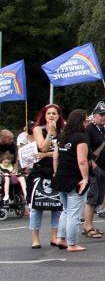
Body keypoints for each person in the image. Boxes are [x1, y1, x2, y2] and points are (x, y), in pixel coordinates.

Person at [52, 109, 90, 253]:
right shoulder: (81, 137)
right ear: (82, 121)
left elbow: (56, 156)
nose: (87, 123)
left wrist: (55, 172)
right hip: (75, 178)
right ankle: (72, 243)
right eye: (86, 120)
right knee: (74, 213)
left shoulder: (63, 135)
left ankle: (61, 239)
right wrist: (85, 178)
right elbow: (82, 160)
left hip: (61, 177)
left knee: (66, 211)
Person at [27, 105, 64, 249]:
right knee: (37, 206)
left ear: (59, 116)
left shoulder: (63, 130)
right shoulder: (38, 129)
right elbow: (42, 147)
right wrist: (50, 133)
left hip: (56, 170)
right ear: (44, 115)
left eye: (54, 113)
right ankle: (35, 238)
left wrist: (48, 154)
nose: (51, 116)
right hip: (40, 170)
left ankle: (54, 236)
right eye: (49, 113)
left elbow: (62, 150)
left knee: (57, 205)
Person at [81, 103, 105, 240]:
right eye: (101, 115)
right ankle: (87, 226)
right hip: (95, 168)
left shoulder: (101, 129)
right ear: (94, 116)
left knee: (98, 198)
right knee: (92, 198)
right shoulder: (90, 129)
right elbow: (85, 147)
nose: (104, 117)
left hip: (104, 167)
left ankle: (90, 224)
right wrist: (91, 162)